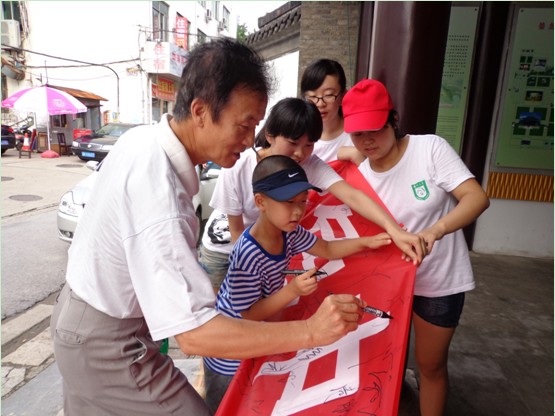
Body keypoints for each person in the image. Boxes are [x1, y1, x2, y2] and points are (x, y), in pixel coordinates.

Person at [50, 38, 368, 416]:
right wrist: (312, 331)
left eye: (255, 126)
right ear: (200, 111)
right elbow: (196, 334)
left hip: (79, 317)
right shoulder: (161, 195)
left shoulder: (143, 139)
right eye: (244, 125)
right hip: (104, 340)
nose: (249, 141)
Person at [339, 79, 490, 416]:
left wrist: (436, 230)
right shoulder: (358, 176)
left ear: (393, 120)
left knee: (430, 365)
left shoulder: (429, 149)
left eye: (375, 130)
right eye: (358, 134)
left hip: (438, 282)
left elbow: (476, 198)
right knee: (379, 362)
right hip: (386, 286)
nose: (367, 141)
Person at [203, 155, 393, 412]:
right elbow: (248, 314)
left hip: (256, 336)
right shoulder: (247, 253)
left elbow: (327, 248)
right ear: (260, 202)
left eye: (303, 201)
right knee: (225, 407)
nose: (297, 211)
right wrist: (291, 290)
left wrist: (366, 242)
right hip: (229, 356)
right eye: (288, 202)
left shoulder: (289, 232)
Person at [199, 97, 426, 294]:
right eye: (292, 143)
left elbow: (352, 196)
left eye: (309, 145)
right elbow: (237, 231)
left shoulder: (309, 164)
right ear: (269, 135)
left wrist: (393, 230)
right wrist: (260, 267)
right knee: (227, 315)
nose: (300, 153)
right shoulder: (239, 167)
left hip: (266, 251)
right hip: (226, 251)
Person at [300, 58, 353, 162]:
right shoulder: (298, 138)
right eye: (312, 96)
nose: (320, 104)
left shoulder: (357, 135)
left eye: (328, 95)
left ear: (343, 96)